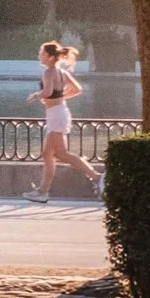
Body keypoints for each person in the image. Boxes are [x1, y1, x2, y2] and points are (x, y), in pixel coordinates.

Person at [27, 41, 99, 203]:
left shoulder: (49, 72)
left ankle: (96, 177)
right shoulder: (61, 72)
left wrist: (35, 96)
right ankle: (42, 192)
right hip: (59, 113)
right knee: (48, 155)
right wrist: (60, 98)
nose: (39, 55)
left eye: (42, 53)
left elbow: (47, 91)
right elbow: (77, 89)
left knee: (61, 154)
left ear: (51, 57)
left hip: (56, 116)